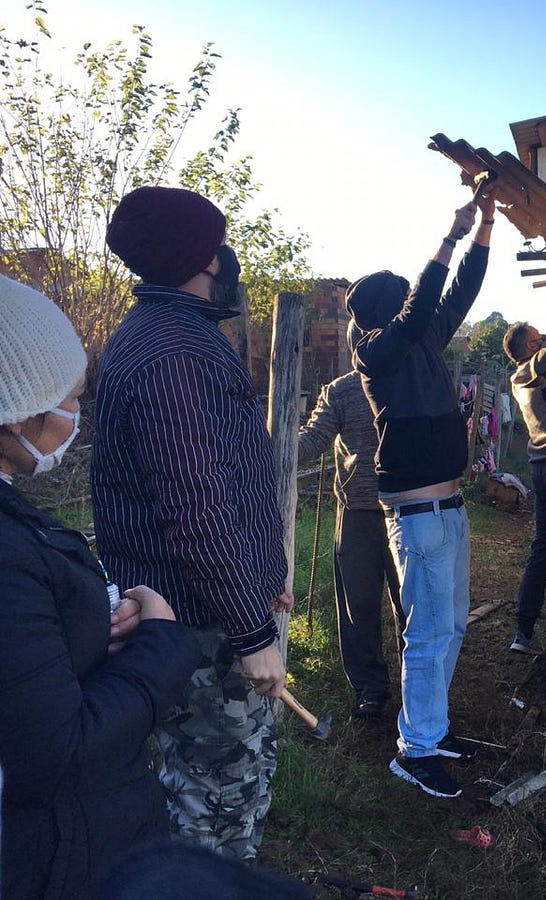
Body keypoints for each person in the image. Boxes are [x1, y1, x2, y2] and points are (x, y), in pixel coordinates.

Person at [92, 186, 294, 862]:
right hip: (203, 628)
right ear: (205, 256)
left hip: (209, 610)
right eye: (217, 243)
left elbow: (229, 479)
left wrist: (267, 575)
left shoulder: (167, 334)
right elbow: (195, 507)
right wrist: (251, 628)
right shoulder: (176, 350)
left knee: (217, 783)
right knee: (213, 802)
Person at [0, 275, 202, 899]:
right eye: (71, 399)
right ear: (20, 407)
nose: (75, 417)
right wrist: (163, 643)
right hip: (56, 862)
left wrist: (97, 617)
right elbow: (55, 754)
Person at [348, 189, 494, 799]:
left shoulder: (423, 340)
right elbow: (421, 307)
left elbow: (460, 291)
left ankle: (431, 728)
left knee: (450, 626)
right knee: (428, 632)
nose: (417, 303)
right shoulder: (376, 351)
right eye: (404, 299)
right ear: (386, 311)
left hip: (450, 509)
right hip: (417, 512)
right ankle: (415, 749)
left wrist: (485, 227)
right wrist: (450, 234)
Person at [297, 322, 402, 719]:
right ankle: (371, 688)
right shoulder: (341, 390)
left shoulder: (407, 380)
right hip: (358, 513)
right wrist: (270, 442)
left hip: (404, 509)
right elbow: (312, 441)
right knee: (358, 605)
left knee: (409, 604)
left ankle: (417, 684)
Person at [502, 323, 546, 655]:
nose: (543, 337)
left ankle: (524, 631)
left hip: (540, 467)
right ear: (530, 347)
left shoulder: (522, 378)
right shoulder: (534, 368)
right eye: (537, 336)